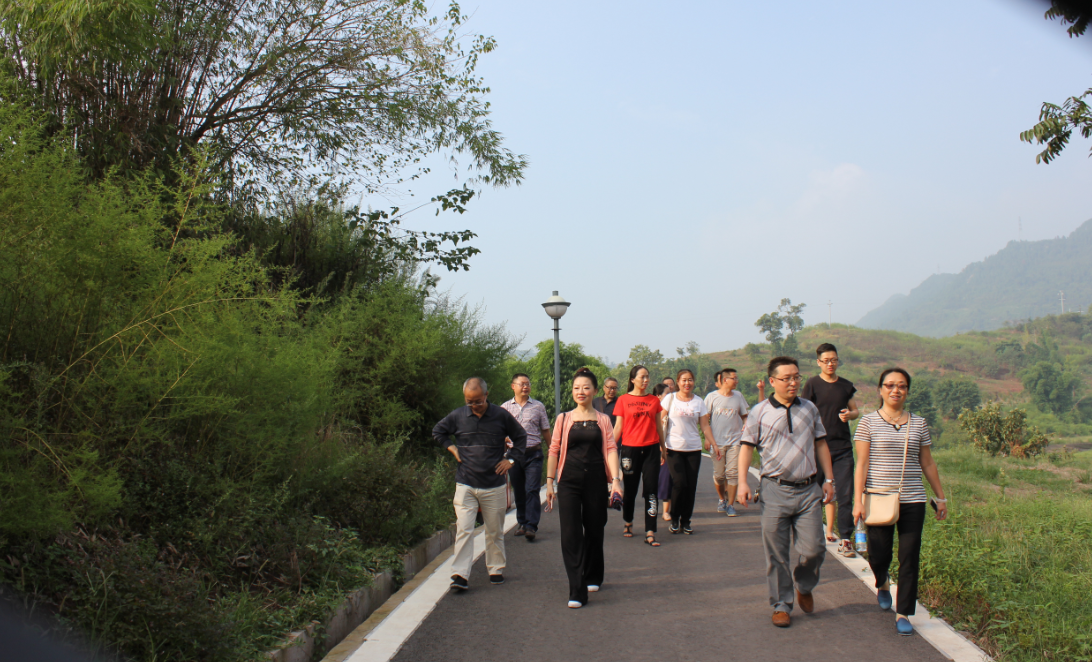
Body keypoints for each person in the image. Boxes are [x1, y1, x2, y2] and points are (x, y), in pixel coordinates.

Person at [736, 356, 835, 628]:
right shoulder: (759, 412)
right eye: (786, 378)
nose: (793, 382)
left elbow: (821, 444)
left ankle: (804, 584)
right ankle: (781, 604)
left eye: (796, 377)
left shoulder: (809, 408)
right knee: (776, 553)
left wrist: (829, 480)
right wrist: (742, 482)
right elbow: (746, 447)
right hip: (774, 490)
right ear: (772, 381)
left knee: (814, 549)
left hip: (808, 490)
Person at [852, 368, 948, 636]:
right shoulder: (868, 423)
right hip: (878, 496)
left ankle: (903, 612)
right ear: (880, 389)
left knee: (909, 556)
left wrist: (940, 497)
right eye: (890, 385)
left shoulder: (919, 423)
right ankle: (882, 581)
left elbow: (927, 462)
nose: (896, 390)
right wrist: (858, 501)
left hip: (912, 499)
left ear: (907, 391)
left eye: (902, 386)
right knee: (878, 553)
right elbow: (862, 464)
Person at [433, 378, 527, 591]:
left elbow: (521, 437)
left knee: (494, 531)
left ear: (486, 395)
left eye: (478, 401)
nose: (474, 406)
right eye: (469, 402)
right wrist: (452, 448)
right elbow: (438, 431)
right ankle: (460, 575)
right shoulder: (458, 416)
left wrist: (511, 460)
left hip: (493, 484)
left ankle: (495, 569)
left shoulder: (501, 415)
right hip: (465, 483)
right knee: (464, 529)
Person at [545, 367, 623, 608]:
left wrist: (616, 480)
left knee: (595, 528)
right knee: (570, 534)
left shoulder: (603, 420)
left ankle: (593, 574)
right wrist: (549, 481)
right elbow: (554, 450)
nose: (581, 391)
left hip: (596, 480)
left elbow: (611, 449)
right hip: (569, 481)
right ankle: (577, 589)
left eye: (586, 387)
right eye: (576, 388)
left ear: (595, 391)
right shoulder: (563, 419)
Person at [801, 343, 860, 557]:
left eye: (833, 360)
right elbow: (803, 412)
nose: (830, 364)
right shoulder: (812, 384)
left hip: (842, 448)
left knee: (845, 494)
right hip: (817, 447)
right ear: (818, 362)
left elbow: (855, 410)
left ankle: (846, 539)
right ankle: (812, 535)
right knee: (813, 492)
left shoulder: (845, 386)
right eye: (826, 361)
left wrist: (850, 415)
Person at [660, 369, 720, 534]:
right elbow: (660, 420)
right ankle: (674, 518)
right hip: (673, 448)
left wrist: (714, 444)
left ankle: (686, 521)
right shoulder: (670, 399)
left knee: (691, 486)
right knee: (679, 484)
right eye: (684, 380)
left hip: (693, 448)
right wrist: (660, 444)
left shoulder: (699, 402)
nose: (687, 383)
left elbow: (705, 425)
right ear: (678, 382)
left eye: (690, 380)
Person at [612, 365, 666, 546]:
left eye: (647, 376)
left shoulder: (654, 401)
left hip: (651, 449)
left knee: (651, 491)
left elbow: (659, 426)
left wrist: (663, 448)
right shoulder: (623, 400)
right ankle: (628, 521)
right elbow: (618, 427)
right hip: (630, 450)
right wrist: (608, 448)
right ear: (632, 379)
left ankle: (650, 531)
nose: (645, 380)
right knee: (630, 490)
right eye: (642, 377)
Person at [501, 373, 552, 542]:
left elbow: (545, 430)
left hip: (533, 454)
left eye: (528, 384)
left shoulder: (538, 406)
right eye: (522, 384)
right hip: (513, 455)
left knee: (532, 489)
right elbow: (499, 431)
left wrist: (552, 450)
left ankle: (531, 526)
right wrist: (503, 440)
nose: (525, 387)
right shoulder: (505, 408)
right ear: (513, 386)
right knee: (519, 490)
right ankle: (522, 523)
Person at [704, 368, 749, 517]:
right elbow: (705, 420)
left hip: (735, 441)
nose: (736, 381)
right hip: (717, 442)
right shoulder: (711, 397)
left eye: (736, 378)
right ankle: (722, 499)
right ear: (725, 380)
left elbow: (744, 415)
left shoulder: (738, 396)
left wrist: (746, 425)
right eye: (733, 378)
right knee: (719, 475)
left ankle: (730, 505)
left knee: (732, 474)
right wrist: (708, 439)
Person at [652, 383, 674, 522]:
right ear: (658, 396)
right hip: (654, 448)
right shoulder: (654, 411)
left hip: (669, 448)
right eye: (666, 393)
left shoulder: (673, 409)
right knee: (655, 480)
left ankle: (667, 510)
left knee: (667, 480)